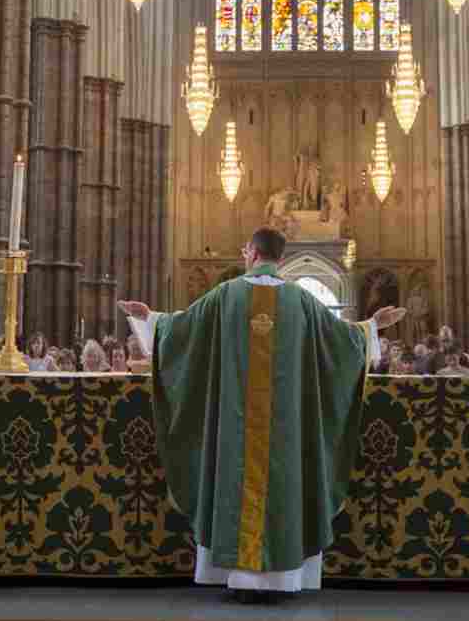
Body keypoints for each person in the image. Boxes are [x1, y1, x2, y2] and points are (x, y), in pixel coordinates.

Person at [117, 226, 406, 602]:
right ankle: (282, 580)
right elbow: (342, 340)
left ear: (252, 253)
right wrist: (372, 327)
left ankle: (240, 577)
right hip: (288, 432)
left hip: (234, 429)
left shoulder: (225, 295)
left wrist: (150, 318)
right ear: (280, 258)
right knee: (283, 487)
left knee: (236, 484)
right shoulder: (301, 300)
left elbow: (180, 331)